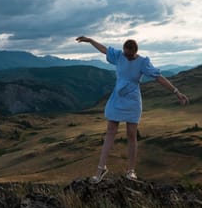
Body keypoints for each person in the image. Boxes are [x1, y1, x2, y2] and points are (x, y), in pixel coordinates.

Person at [76, 36, 189, 183]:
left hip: (133, 101)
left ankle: (131, 171)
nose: (127, 57)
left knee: (131, 134)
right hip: (118, 97)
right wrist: (90, 40)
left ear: (135, 52)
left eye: (130, 55)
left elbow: (159, 77)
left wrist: (176, 92)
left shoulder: (143, 62)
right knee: (110, 131)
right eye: (125, 54)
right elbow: (104, 49)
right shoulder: (119, 56)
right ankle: (100, 169)